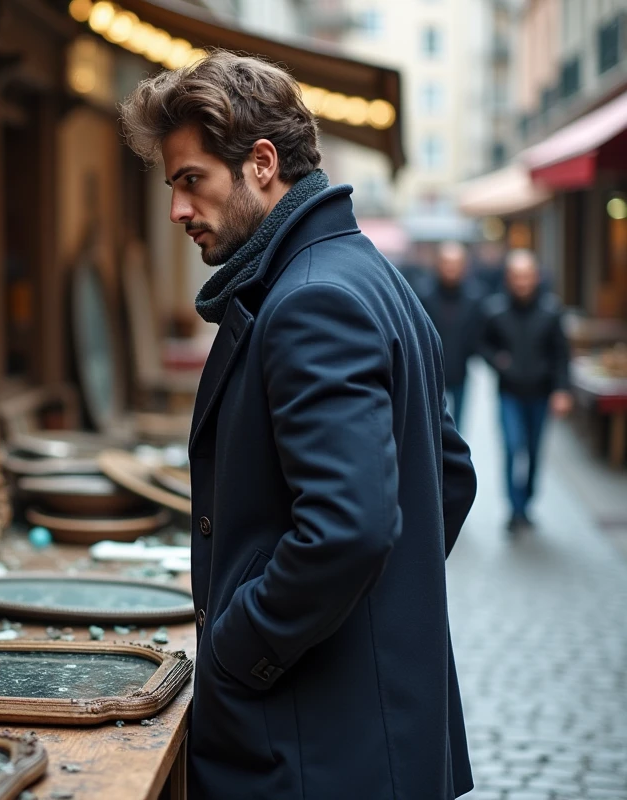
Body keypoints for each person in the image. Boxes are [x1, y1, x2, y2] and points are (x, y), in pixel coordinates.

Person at [120, 51, 477, 799]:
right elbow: (448, 475)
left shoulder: (312, 298)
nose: (178, 210)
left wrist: (241, 645)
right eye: (173, 186)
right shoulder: (360, 270)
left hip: (312, 749)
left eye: (192, 181)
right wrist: (377, 609)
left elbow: (350, 527)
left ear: (260, 163)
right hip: (358, 733)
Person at [478, 249, 572, 532]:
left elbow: (561, 355)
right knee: (511, 446)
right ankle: (514, 509)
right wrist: (497, 361)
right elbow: (483, 344)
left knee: (532, 451)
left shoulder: (551, 311)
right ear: (509, 278)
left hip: (540, 393)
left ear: (536, 277)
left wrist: (561, 390)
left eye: (527, 276)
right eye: (517, 276)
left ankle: (527, 500)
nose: (522, 282)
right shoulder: (495, 310)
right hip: (509, 392)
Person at [417, 240, 485, 427]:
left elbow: (480, 333)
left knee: (458, 426)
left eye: (456, 264)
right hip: (429, 371)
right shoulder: (423, 294)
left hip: (461, 370)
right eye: (446, 263)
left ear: (464, 266)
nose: (451, 269)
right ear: (438, 264)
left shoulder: (475, 296)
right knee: (430, 424)